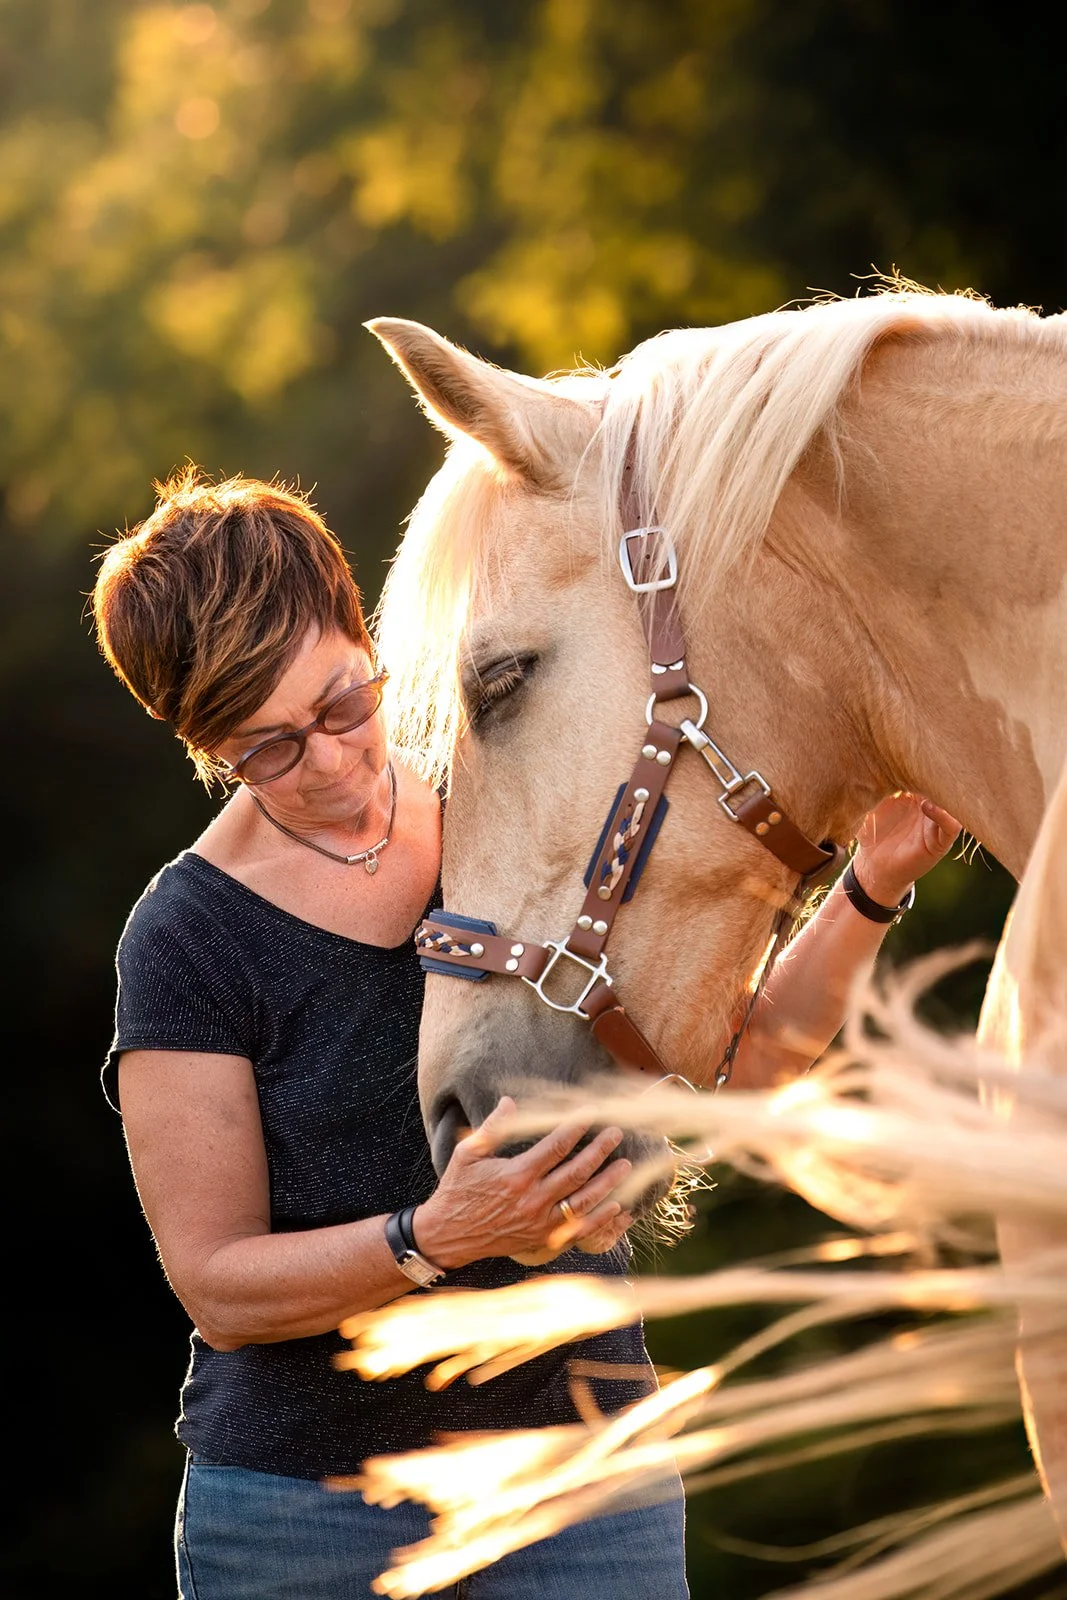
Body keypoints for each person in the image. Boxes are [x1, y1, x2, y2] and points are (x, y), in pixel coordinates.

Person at [91, 468, 960, 1600]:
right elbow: (219, 1284)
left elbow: (739, 1069)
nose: (331, 760)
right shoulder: (186, 937)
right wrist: (430, 1237)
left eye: (343, 704)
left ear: (367, 637)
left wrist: (869, 887)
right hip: (305, 1525)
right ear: (200, 742)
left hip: (587, 1490)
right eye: (266, 750)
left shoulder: (513, 786)